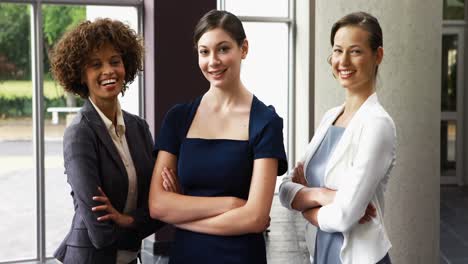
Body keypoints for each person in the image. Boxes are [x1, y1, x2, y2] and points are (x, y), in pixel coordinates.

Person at [148, 9, 288, 264]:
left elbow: (256, 218)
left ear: (243, 49)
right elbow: (158, 205)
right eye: (204, 52)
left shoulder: (265, 122)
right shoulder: (178, 118)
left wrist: (182, 211)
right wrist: (231, 204)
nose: (213, 61)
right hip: (186, 256)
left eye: (223, 49)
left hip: (240, 257)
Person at [279, 12, 396, 264]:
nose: (343, 61)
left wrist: (306, 202)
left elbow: (344, 215)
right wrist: (324, 195)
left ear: (378, 55)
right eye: (337, 50)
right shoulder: (330, 116)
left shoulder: (377, 124)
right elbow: (285, 188)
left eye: (355, 51)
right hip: (321, 254)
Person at [49, 18, 164, 263]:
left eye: (115, 61)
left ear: (126, 65)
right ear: (81, 74)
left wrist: (127, 220)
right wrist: (144, 220)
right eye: (95, 64)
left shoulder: (139, 128)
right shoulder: (80, 133)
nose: (108, 71)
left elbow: (159, 208)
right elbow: (100, 234)